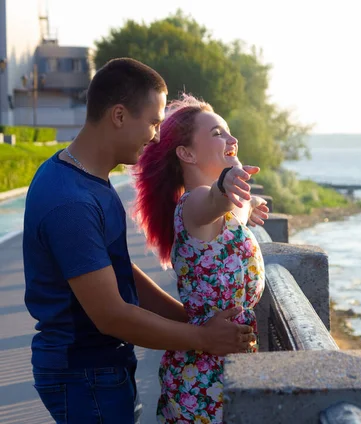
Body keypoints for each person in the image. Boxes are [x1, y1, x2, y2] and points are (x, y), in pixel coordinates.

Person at [22, 58, 256, 424]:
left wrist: (193, 319)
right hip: (84, 372)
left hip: (100, 368)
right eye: (153, 121)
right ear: (118, 116)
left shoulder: (88, 180)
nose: (158, 135)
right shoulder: (70, 200)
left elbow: (119, 272)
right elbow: (111, 315)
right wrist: (202, 339)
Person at [131, 94, 268, 424]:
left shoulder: (212, 212)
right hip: (204, 380)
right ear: (186, 153)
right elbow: (214, 200)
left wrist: (250, 204)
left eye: (229, 132)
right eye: (218, 133)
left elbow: (230, 206)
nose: (232, 139)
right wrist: (227, 183)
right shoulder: (193, 205)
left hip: (220, 369)